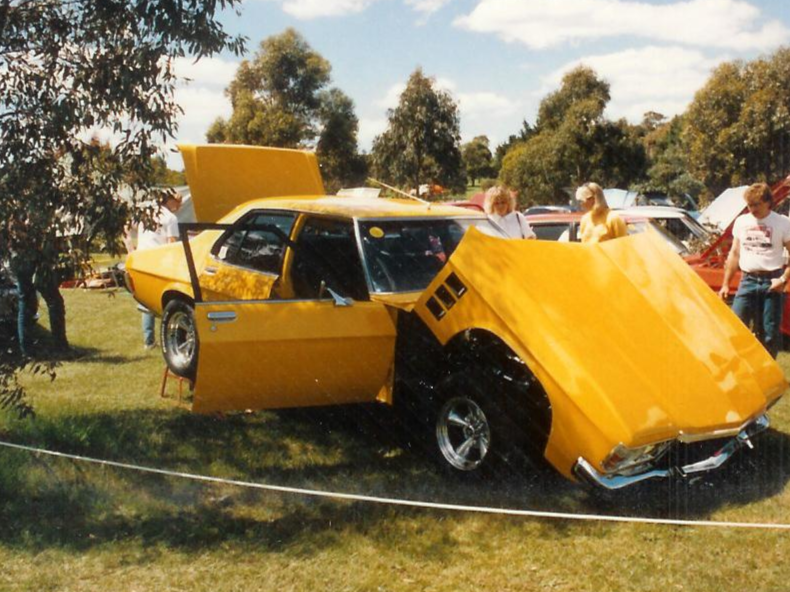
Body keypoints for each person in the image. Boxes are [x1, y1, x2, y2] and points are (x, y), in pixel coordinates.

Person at [719, 182, 790, 358]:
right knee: (735, 326)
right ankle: (738, 369)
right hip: (748, 281)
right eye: (749, 205)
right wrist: (726, 284)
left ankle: (767, 375)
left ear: (768, 202)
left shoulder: (782, 223)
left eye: (756, 204)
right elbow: (734, 253)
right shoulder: (741, 222)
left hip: (772, 281)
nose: (752, 209)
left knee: (768, 333)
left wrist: (782, 280)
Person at [125, 192, 182, 350]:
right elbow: (172, 244)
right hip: (160, 260)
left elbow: (126, 227)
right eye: (177, 202)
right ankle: (170, 337)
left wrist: (130, 249)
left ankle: (148, 340)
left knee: (146, 301)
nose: (178, 206)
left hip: (142, 259)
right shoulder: (170, 218)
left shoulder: (146, 213)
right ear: (169, 200)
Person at [5, 216, 68, 356]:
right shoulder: (26, 208)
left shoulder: (13, 206)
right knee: (54, 302)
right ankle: (60, 346)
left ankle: (28, 351)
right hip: (29, 259)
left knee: (26, 304)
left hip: (18, 258)